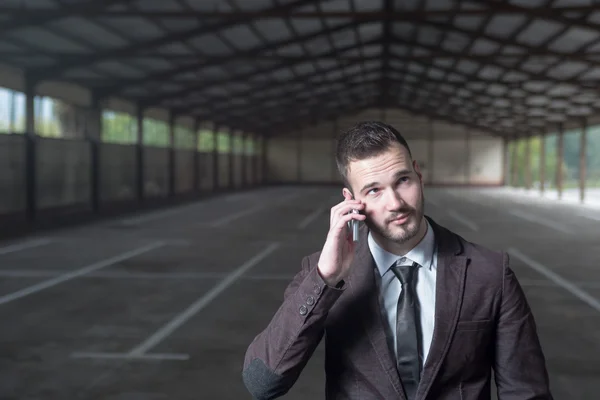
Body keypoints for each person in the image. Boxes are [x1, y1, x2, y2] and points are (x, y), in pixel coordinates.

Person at [242, 121, 553, 399]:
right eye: (374, 190)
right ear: (351, 200)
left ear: (418, 173)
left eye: (403, 180)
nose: (395, 203)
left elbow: (526, 392)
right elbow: (263, 383)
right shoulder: (322, 274)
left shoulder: (490, 273)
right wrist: (326, 278)